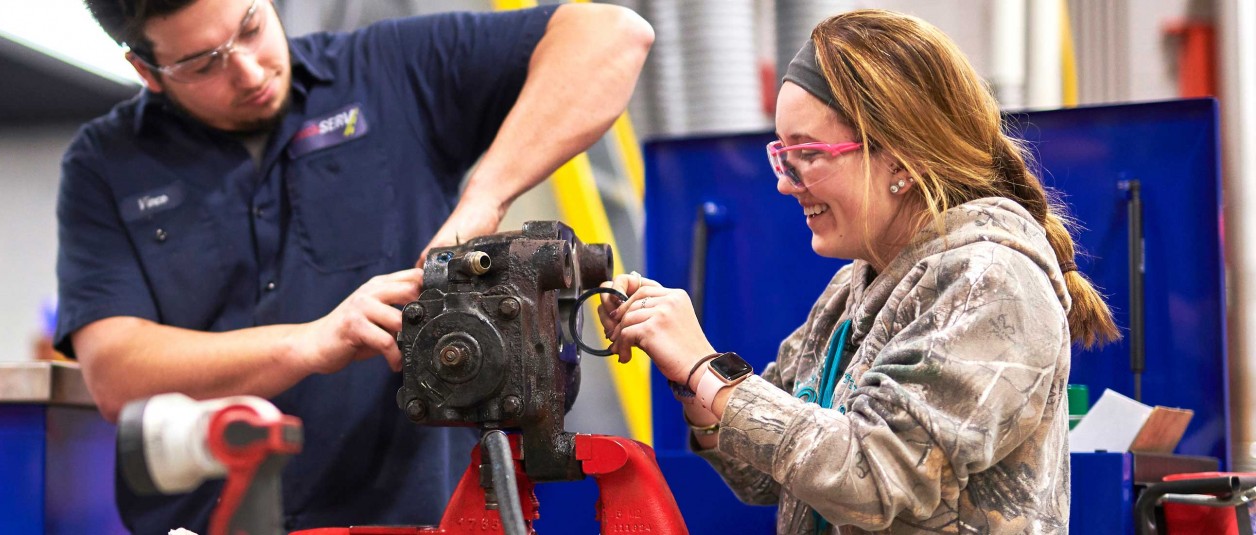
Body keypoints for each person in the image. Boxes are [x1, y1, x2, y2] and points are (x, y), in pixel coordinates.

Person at [55, 0, 652, 532]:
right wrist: (308, 344)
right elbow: (115, 372)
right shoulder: (103, 163)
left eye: (252, 28)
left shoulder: (389, 72)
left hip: (410, 519)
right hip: (208, 522)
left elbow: (612, 34)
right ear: (146, 72)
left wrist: (483, 199)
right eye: (203, 64)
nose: (249, 71)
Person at [599, 9, 1118, 534]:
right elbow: (761, 473)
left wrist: (701, 367)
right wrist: (681, 368)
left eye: (807, 153)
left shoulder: (990, 282)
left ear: (901, 158)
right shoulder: (856, 286)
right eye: (783, 154)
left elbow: (874, 479)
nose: (785, 183)